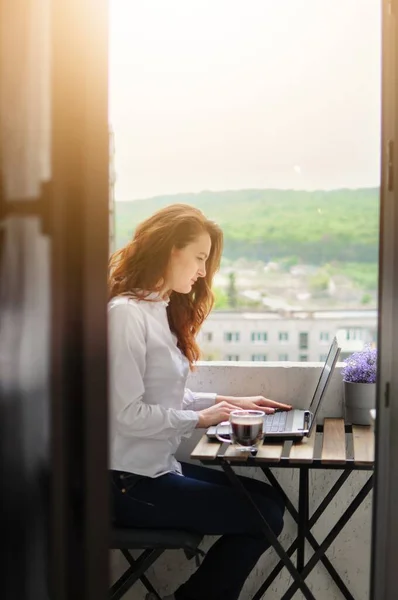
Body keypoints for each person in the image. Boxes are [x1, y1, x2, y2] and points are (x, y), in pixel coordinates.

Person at [108, 204, 291, 600]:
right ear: (170, 249)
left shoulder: (156, 309)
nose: (203, 271)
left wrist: (232, 400)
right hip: (126, 484)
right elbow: (124, 415)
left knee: (271, 500)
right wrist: (201, 419)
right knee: (264, 516)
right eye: (200, 257)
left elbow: (170, 394)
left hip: (155, 470)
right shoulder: (125, 316)